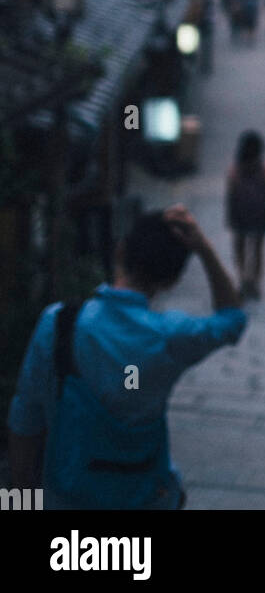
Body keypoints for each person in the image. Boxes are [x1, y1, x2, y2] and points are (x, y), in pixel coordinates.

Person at [7, 206, 245, 510]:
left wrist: (18, 504)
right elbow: (233, 319)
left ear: (120, 251)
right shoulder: (172, 335)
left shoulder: (59, 322)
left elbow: (25, 421)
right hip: (145, 499)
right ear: (172, 280)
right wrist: (203, 248)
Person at [225, 131, 265, 299]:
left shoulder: (235, 170)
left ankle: (242, 278)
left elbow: (230, 193)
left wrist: (230, 214)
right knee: (258, 249)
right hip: (260, 214)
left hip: (240, 214)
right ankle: (255, 282)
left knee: (240, 247)